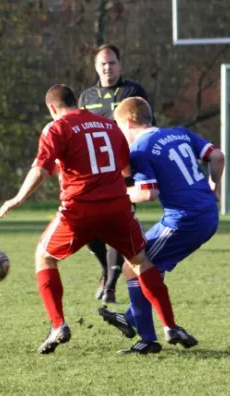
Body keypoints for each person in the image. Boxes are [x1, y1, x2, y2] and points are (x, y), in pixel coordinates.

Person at [0, 84, 196, 354]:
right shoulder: (108, 125)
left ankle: (58, 325)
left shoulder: (57, 128)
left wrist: (18, 198)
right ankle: (170, 325)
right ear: (76, 102)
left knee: (44, 257)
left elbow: (41, 168)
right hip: (117, 206)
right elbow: (125, 167)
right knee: (141, 261)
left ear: (52, 108)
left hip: (79, 209)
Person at [98, 97, 224, 354]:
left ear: (129, 122)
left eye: (120, 127)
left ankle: (150, 337)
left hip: (184, 220)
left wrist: (118, 195)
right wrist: (214, 186)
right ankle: (131, 319)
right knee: (148, 266)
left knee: (134, 266)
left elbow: (147, 194)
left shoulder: (140, 149)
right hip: (207, 213)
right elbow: (217, 156)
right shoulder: (179, 133)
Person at [78, 44, 155, 304]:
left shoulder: (133, 92)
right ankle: (105, 270)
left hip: (124, 169)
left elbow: (145, 126)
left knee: (116, 223)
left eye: (111, 63)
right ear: (96, 67)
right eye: (103, 64)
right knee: (89, 229)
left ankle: (110, 286)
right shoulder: (87, 97)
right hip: (94, 173)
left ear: (119, 65)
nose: (107, 67)